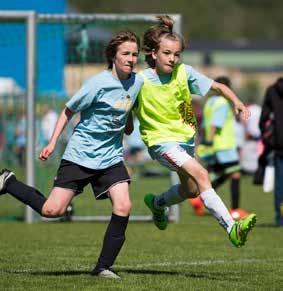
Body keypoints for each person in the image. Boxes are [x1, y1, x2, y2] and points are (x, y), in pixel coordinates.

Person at [0, 30, 143, 278]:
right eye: (125, 54)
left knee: (124, 205)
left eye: (134, 54)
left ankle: (102, 267)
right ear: (113, 56)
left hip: (110, 158)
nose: (131, 59)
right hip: (80, 155)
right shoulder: (97, 84)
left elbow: (127, 106)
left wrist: (127, 121)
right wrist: (52, 143)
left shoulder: (137, 81)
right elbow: (68, 111)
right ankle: (9, 181)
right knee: (51, 211)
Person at [133, 15, 256, 247]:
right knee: (201, 175)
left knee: (190, 191)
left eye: (176, 54)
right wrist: (127, 123)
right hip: (162, 142)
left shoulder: (183, 72)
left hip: (185, 141)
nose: (172, 58)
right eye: (167, 53)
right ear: (153, 54)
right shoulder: (140, 80)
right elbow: (126, 106)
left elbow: (218, 86)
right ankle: (232, 228)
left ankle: (158, 204)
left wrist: (236, 101)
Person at [195, 76, 248, 220]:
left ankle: (198, 198)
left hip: (213, 145)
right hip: (224, 146)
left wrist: (206, 142)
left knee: (221, 173)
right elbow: (214, 124)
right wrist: (209, 141)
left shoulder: (210, 102)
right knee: (235, 174)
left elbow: (205, 125)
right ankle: (235, 210)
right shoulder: (223, 103)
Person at [259, 77, 283, 227]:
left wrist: (270, 140)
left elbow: (263, 120)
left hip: (279, 145)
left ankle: (280, 218)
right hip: (278, 146)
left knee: (280, 186)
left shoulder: (272, 90)